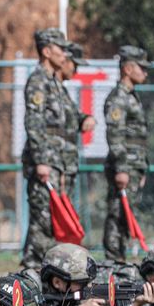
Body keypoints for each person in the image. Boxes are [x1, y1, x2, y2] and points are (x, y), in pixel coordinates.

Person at [21, 28, 72, 269]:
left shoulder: (54, 83)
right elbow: (34, 121)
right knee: (42, 218)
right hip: (45, 161)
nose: (64, 53)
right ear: (46, 51)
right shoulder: (38, 81)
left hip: (57, 160)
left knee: (50, 220)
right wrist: (41, 159)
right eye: (60, 49)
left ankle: (42, 268)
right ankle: (32, 268)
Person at [102, 46, 151, 261]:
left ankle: (120, 260)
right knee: (117, 215)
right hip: (124, 167)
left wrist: (142, 168)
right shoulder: (119, 98)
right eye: (141, 68)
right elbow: (116, 135)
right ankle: (114, 261)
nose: (145, 72)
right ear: (128, 68)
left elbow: (138, 138)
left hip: (133, 166)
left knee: (127, 215)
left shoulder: (132, 96)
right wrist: (122, 169)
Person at [59, 41, 96, 196]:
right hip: (57, 165)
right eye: (75, 64)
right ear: (64, 61)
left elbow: (73, 115)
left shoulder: (61, 91)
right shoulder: (47, 87)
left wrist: (86, 118)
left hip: (66, 164)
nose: (76, 70)